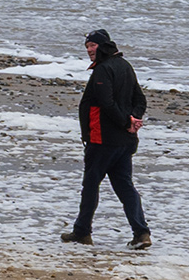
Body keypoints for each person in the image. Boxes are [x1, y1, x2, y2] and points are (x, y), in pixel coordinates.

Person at [64, 27, 152, 248]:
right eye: (87, 47)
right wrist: (132, 120)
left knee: (91, 185)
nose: (89, 50)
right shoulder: (125, 66)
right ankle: (141, 233)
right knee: (124, 186)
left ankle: (82, 232)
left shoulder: (104, 70)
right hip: (124, 141)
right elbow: (139, 100)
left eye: (92, 46)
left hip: (103, 140)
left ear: (103, 46)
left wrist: (128, 121)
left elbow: (106, 103)